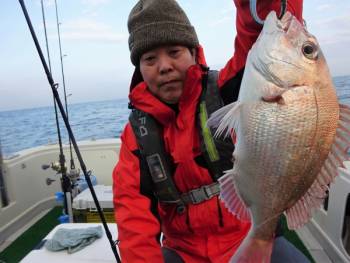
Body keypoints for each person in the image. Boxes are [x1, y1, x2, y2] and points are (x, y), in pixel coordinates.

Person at [113, 0, 308, 262]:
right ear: (139, 69)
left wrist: (264, 5)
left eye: (174, 51)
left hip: (249, 231)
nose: (164, 66)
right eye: (150, 59)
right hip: (181, 250)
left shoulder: (230, 88)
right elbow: (133, 214)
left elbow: (261, 32)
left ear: (194, 52)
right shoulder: (136, 135)